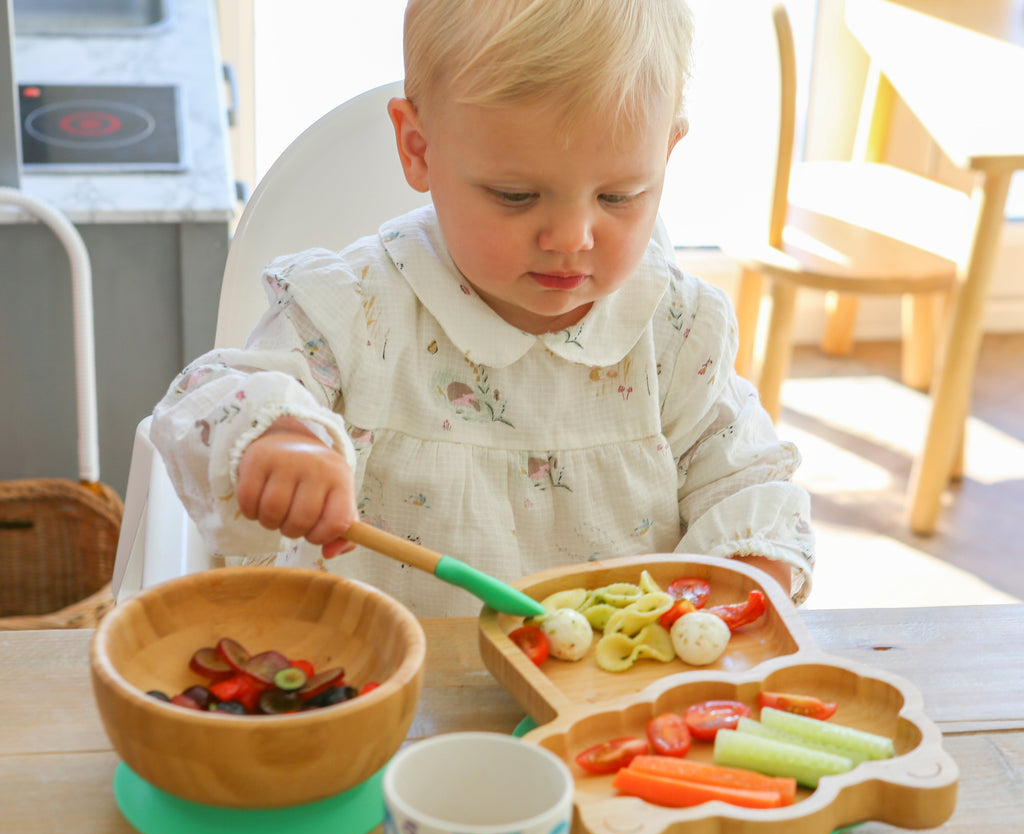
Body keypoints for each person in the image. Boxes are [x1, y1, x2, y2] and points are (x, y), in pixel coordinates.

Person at [151, 0, 814, 618]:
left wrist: (749, 572)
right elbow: (212, 400)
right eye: (516, 195)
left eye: (619, 196)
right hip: (393, 696)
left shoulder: (673, 331)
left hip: (604, 708)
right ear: (419, 149)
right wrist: (281, 440)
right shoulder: (354, 311)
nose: (572, 238)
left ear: (666, 155)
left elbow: (745, 480)